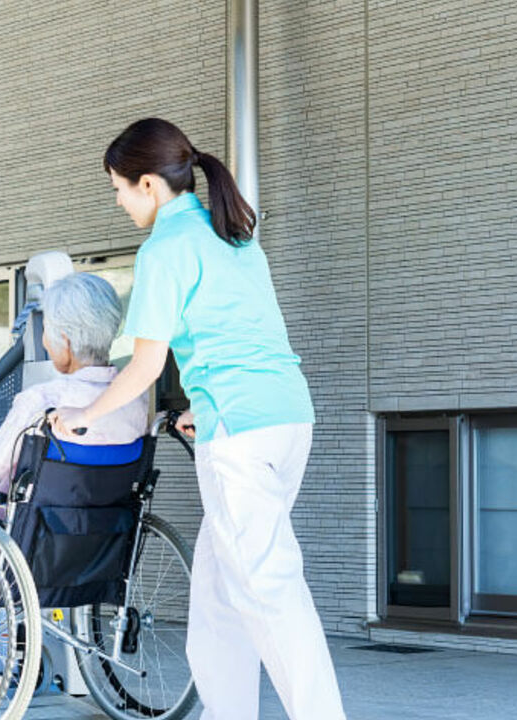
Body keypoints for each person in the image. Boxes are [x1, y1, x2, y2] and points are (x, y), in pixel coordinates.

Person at [49, 118, 345, 720]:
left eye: (118, 188)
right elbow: (240, 338)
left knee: (269, 590)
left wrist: (83, 415)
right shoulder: (231, 234)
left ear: (149, 184)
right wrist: (200, 411)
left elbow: (146, 365)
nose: (118, 201)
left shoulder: (165, 249)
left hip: (240, 434)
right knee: (218, 597)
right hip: (285, 419)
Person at [0, 272, 149, 518]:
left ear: (64, 340)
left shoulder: (44, 399)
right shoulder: (136, 401)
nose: (44, 341)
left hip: (31, 529)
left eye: (47, 330)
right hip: (108, 531)